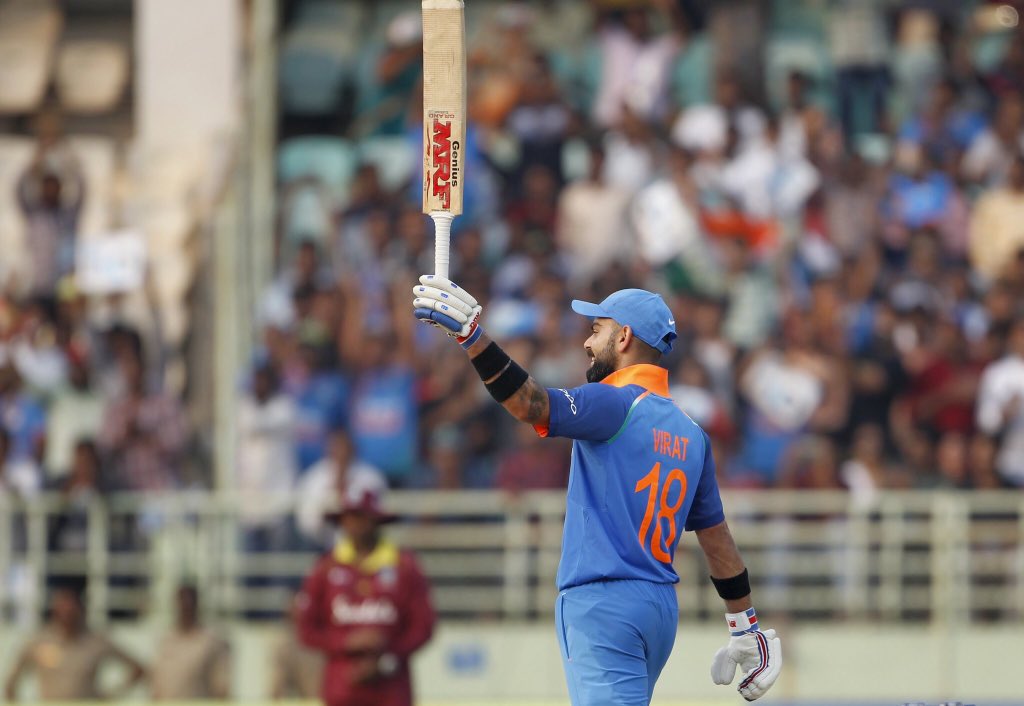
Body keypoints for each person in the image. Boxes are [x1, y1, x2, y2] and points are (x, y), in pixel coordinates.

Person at [413, 280, 782, 704]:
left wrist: (472, 337)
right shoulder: (692, 433)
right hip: (659, 607)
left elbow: (530, 404)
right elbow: (717, 539)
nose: (588, 343)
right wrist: (744, 625)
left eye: (596, 329)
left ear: (623, 337)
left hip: (604, 603)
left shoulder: (614, 403)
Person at [295, 485, 435, 706]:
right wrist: (346, 642)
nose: (354, 524)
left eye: (360, 516)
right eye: (348, 517)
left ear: (376, 519)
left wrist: (387, 656)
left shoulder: (405, 566)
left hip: (391, 691)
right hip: (341, 692)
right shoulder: (325, 567)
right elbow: (306, 629)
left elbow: (423, 627)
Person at [4, 586, 146, 701]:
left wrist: (111, 695)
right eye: (62, 612)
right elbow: (11, 683)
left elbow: (138, 669)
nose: (67, 617)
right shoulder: (38, 641)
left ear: (81, 611)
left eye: (71, 612)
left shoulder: (95, 641)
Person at [150, 585, 231, 700]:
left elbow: (221, 688)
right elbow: (158, 682)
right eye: (182, 602)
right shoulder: (165, 639)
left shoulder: (211, 641)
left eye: (189, 603)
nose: (186, 607)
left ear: (197, 605)